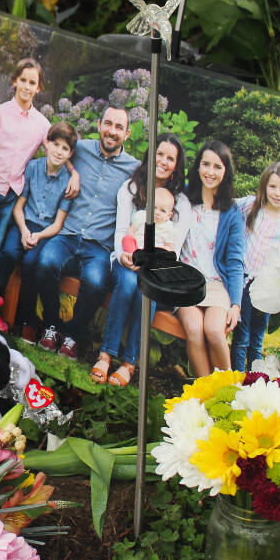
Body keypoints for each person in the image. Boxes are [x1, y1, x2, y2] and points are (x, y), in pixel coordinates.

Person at [34, 106, 139, 358]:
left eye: (119, 127)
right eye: (108, 124)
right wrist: (73, 171)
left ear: (127, 133)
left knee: (95, 282)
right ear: (99, 124)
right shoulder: (80, 149)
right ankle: (51, 326)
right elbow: (49, 144)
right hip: (67, 235)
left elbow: (162, 180)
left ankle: (72, 334)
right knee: (46, 262)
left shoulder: (134, 168)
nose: (112, 132)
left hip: (99, 246)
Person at [0, 58, 75, 288]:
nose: (26, 86)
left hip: (13, 193)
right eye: (23, 80)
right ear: (15, 81)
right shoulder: (0, 113)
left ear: (38, 87)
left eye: (32, 82)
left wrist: (74, 173)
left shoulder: (42, 124)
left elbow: (54, 150)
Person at [91, 135, 192, 385]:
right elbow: (121, 230)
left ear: (177, 165)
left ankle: (129, 363)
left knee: (147, 292)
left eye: (170, 158)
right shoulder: (131, 188)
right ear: (151, 154)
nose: (163, 161)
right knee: (126, 284)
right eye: (160, 154)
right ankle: (105, 355)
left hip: (156, 268)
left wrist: (152, 264)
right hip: (127, 258)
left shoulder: (182, 203)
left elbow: (174, 249)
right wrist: (125, 256)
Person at [0, 121, 78, 330]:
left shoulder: (69, 182)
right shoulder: (33, 168)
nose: (59, 152)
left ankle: (24, 321)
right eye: (56, 145)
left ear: (70, 154)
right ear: (47, 144)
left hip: (46, 232)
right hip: (24, 223)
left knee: (30, 262)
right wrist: (25, 231)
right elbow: (19, 207)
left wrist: (38, 236)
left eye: (65, 148)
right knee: (8, 253)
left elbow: (58, 224)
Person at [176, 139, 245, 377]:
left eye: (217, 167)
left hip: (216, 285)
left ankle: (229, 394)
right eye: (206, 164)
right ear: (198, 166)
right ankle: (204, 396)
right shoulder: (183, 197)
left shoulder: (232, 212)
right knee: (194, 329)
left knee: (215, 330)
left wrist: (236, 304)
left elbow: (235, 261)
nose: (210, 172)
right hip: (185, 282)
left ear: (226, 172)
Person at [231, 162, 280, 371]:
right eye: (273, 187)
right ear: (264, 186)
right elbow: (225, 204)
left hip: (267, 286)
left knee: (257, 338)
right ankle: (237, 378)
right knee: (241, 336)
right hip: (243, 281)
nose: (277, 193)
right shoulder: (251, 206)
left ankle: (254, 379)